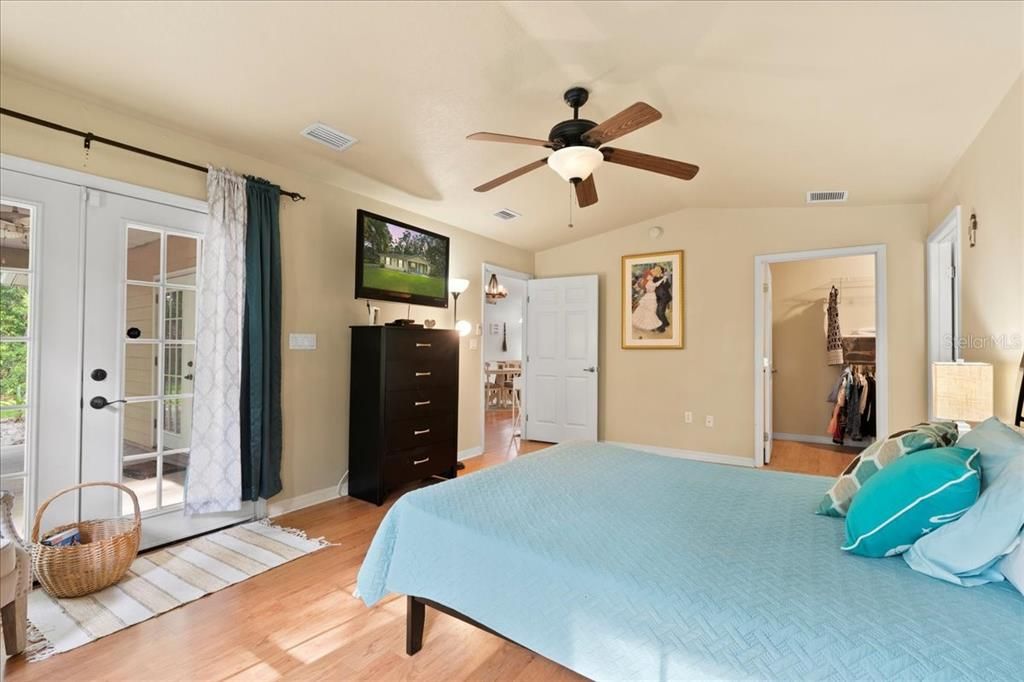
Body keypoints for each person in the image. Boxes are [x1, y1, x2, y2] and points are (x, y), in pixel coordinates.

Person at [632, 265, 670, 332]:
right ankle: (652, 325)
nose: (651, 277)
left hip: (653, 297)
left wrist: (662, 278)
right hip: (650, 298)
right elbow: (656, 284)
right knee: (651, 311)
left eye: (651, 276)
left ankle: (655, 325)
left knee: (652, 311)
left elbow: (658, 283)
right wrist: (662, 279)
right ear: (647, 277)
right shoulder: (649, 283)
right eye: (649, 276)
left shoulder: (651, 281)